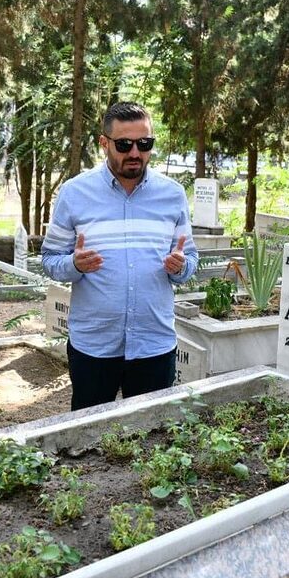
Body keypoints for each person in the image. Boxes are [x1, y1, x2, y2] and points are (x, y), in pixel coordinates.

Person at [41, 101, 198, 410]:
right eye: (125, 144)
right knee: (86, 440)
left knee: (151, 435)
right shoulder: (74, 193)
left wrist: (180, 267)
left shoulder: (173, 194)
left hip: (153, 345)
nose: (135, 153)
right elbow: (49, 259)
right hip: (94, 347)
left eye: (145, 143)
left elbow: (189, 259)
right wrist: (73, 264)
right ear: (104, 143)